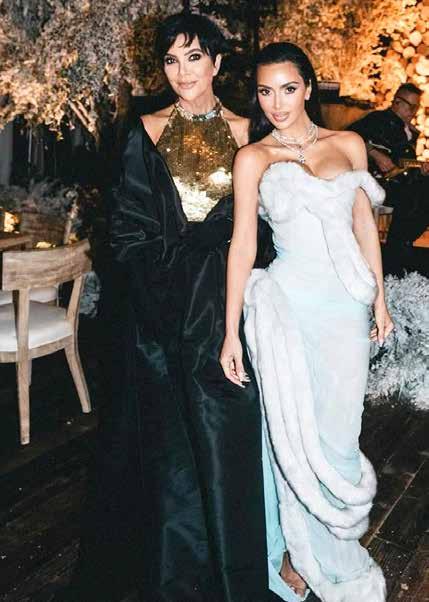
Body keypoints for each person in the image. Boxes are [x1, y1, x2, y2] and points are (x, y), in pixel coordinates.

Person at [65, 12, 276, 602]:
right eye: (171, 60)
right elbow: (126, 229)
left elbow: (264, 225)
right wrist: (163, 292)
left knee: (223, 436)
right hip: (157, 310)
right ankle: (168, 577)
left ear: (217, 62)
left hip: (226, 306)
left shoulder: (249, 131)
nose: (182, 72)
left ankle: (230, 575)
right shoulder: (143, 130)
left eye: (194, 57)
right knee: (165, 444)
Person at [220, 42, 393, 602]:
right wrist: (230, 331)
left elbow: (364, 225)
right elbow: (243, 246)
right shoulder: (254, 157)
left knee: (339, 433)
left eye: (288, 89)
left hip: (344, 307)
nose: (277, 103)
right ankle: (292, 548)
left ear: (309, 88)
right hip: (289, 309)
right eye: (266, 92)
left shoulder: (348, 144)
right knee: (287, 432)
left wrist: (379, 299)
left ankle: (330, 541)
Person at [348, 83, 429, 270]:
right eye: (410, 106)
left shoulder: (410, 131)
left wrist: (420, 170)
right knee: (417, 195)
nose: (413, 112)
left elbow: (403, 164)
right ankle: (397, 248)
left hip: (400, 183)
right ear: (397, 102)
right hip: (377, 182)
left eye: (416, 107)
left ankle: (401, 244)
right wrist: (374, 153)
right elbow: (348, 136)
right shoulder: (378, 119)